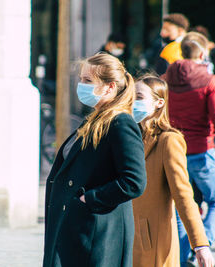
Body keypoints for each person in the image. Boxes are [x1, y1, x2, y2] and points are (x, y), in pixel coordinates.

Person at [43, 53, 147, 267]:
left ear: (109, 87)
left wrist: (89, 200)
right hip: (76, 228)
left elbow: (134, 182)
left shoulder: (121, 123)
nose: (81, 85)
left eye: (88, 81)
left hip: (96, 231)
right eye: (81, 79)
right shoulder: (95, 119)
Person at [161, 32, 215, 267]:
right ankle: (197, 248)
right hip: (202, 150)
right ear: (203, 53)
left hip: (173, 150)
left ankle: (182, 255)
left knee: (179, 205)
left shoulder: (165, 78)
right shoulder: (210, 80)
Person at [132, 75, 214, 267]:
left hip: (152, 244)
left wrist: (200, 244)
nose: (133, 102)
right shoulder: (130, 137)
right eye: (131, 97)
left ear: (159, 102)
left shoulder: (168, 140)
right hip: (127, 238)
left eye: (139, 97)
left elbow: (183, 195)